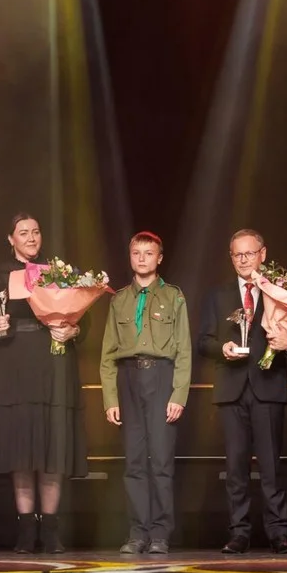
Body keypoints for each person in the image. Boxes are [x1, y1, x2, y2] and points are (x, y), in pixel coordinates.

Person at [0, 214, 87, 554]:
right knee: (21, 451)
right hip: (13, 365)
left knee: (51, 449)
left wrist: (73, 330)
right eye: (23, 233)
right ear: (11, 239)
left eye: (36, 231)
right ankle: (25, 530)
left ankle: (49, 529)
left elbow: (85, 322)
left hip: (53, 364)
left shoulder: (59, 273)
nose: (31, 237)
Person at [196, 229, 287, 554]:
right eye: (237, 255)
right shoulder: (218, 295)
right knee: (236, 469)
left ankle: (279, 533)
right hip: (231, 390)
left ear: (262, 254)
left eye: (249, 253)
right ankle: (239, 533)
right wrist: (221, 348)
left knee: (271, 468)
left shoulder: (279, 292)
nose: (243, 260)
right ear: (231, 258)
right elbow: (203, 341)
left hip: (268, 388)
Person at [100, 231, 190, 554]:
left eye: (148, 253)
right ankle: (137, 532)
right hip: (129, 379)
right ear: (130, 257)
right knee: (134, 462)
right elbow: (108, 355)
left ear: (159, 258)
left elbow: (184, 350)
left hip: (161, 377)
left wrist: (178, 395)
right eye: (136, 253)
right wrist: (111, 399)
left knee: (161, 461)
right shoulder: (119, 299)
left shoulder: (174, 296)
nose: (141, 258)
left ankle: (161, 533)